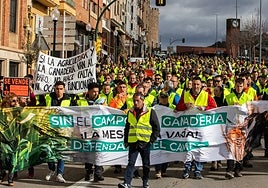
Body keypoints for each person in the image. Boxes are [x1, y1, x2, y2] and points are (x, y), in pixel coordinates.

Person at [175, 76, 217, 179]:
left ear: (201, 85)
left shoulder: (206, 95)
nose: (196, 86)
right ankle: (187, 170)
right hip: (188, 128)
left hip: (201, 128)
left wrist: (205, 108)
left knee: (199, 149)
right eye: (194, 84)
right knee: (188, 149)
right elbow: (177, 108)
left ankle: (198, 171)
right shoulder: (185, 95)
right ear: (191, 84)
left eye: (198, 84)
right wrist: (185, 106)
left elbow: (214, 108)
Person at [118, 92, 160, 188]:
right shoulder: (130, 112)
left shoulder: (150, 112)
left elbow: (156, 127)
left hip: (145, 142)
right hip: (133, 142)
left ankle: (145, 181)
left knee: (146, 165)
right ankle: (127, 183)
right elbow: (127, 127)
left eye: (138, 101)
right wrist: (126, 140)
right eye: (134, 101)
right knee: (131, 163)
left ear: (143, 101)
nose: (136, 103)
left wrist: (151, 140)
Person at [74, 82, 105, 182]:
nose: (96, 93)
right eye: (94, 92)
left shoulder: (102, 101)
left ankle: (98, 172)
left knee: (98, 151)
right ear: (89, 92)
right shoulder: (81, 102)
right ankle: (88, 171)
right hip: (85, 130)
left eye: (97, 91)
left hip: (99, 130)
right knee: (88, 152)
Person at [224, 77, 252, 179]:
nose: (239, 88)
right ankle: (229, 169)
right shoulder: (228, 97)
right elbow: (224, 109)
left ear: (243, 86)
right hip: (231, 124)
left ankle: (238, 169)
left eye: (241, 86)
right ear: (234, 85)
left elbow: (250, 111)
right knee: (230, 148)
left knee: (240, 148)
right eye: (237, 86)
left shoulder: (248, 97)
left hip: (242, 126)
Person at [44, 81, 72, 183]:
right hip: (49, 129)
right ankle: (51, 169)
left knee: (61, 152)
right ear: (54, 89)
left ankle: (59, 173)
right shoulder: (48, 98)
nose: (59, 91)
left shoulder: (69, 99)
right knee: (48, 151)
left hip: (63, 130)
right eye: (57, 89)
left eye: (61, 89)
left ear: (64, 89)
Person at [0, 93, 20, 186]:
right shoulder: (2, 112)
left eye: (17, 100)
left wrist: (18, 107)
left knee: (12, 160)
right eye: (14, 101)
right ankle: (1, 175)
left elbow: (24, 117)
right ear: (8, 102)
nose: (16, 102)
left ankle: (10, 179)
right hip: (3, 139)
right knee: (3, 159)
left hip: (14, 139)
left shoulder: (18, 112)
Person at [154, 91, 169, 179]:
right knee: (158, 152)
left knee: (166, 153)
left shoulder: (172, 107)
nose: (164, 99)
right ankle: (158, 171)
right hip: (158, 133)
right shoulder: (155, 108)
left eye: (165, 97)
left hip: (169, 134)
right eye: (162, 97)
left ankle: (163, 170)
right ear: (159, 98)